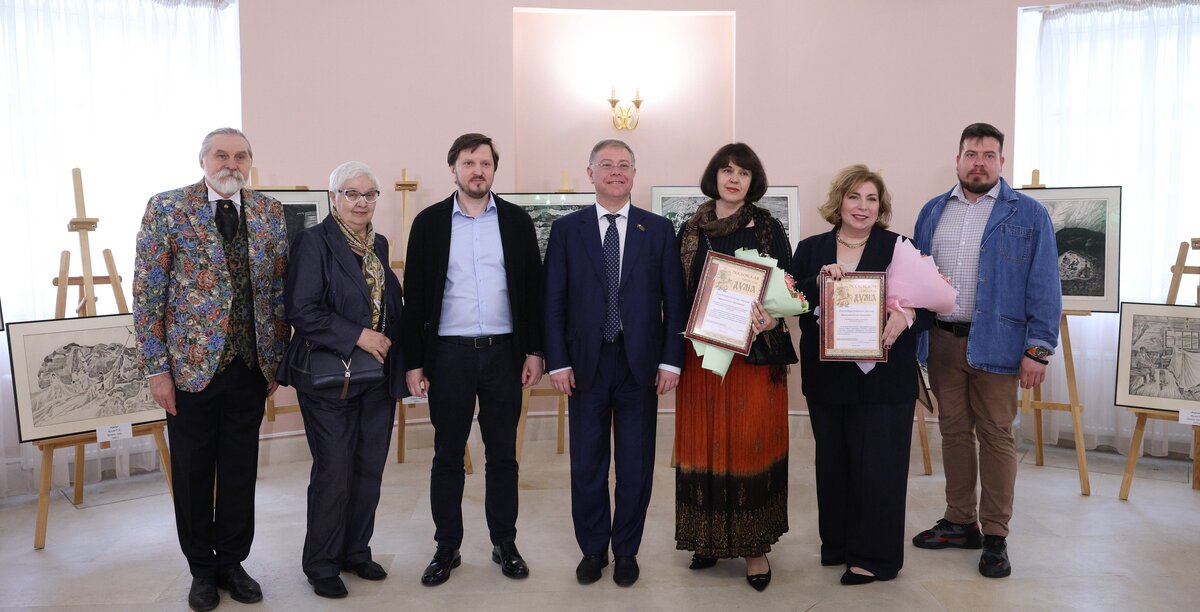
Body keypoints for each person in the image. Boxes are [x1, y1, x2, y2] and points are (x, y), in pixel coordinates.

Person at [133, 127, 290, 611]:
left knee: (241, 470)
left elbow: (278, 291)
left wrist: (275, 358)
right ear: (203, 160)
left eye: (240, 157)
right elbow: (147, 294)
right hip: (189, 369)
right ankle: (201, 568)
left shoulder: (269, 212)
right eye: (221, 155)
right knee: (193, 472)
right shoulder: (168, 208)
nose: (231, 164)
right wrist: (157, 370)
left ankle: (233, 562)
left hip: (250, 365)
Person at [911, 123, 1061, 578]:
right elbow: (917, 278)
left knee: (996, 436)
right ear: (957, 160)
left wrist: (1038, 349)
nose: (979, 163)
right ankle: (960, 521)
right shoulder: (933, 211)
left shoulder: (1029, 214)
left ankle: (995, 534)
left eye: (989, 155)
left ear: (1001, 162)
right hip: (942, 341)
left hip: (1000, 343)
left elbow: (1045, 285)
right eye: (971, 154)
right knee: (954, 433)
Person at [403, 133, 545, 586]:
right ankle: (447, 546)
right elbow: (414, 298)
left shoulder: (517, 222)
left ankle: (505, 542)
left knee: (503, 456)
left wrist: (535, 350)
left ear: (493, 170)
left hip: (504, 354)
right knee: (447, 454)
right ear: (454, 169)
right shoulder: (429, 223)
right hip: (449, 356)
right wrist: (413, 362)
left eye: (485, 163)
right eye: (469, 163)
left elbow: (533, 292)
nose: (477, 171)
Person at [544, 139, 686, 587]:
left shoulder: (657, 230)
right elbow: (553, 302)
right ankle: (593, 549)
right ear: (590, 174)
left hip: (640, 364)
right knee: (587, 463)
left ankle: (626, 550)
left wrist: (671, 361)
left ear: (634, 174)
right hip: (584, 364)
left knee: (635, 463)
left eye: (624, 164)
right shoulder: (567, 230)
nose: (616, 171)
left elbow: (675, 303)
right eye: (606, 164)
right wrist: (557, 361)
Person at [791, 164, 934, 585]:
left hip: (884, 380)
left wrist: (906, 315)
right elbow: (791, 300)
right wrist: (818, 282)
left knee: (879, 467)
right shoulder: (811, 248)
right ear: (839, 201)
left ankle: (874, 558)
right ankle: (837, 545)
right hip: (827, 379)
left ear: (881, 206)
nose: (862, 206)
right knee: (832, 465)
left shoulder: (900, 247)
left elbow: (932, 302)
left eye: (872, 199)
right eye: (854, 196)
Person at [276, 161, 405, 598]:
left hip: (376, 377)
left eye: (369, 194)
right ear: (333, 198)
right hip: (330, 378)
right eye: (351, 193)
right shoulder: (313, 242)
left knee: (369, 469)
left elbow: (386, 306)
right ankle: (322, 563)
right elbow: (301, 309)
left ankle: (355, 551)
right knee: (334, 471)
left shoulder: (377, 244)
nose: (361, 202)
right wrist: (359, 336)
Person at [673, 143, 791, 592]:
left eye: (743, 173)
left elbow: (790, 285)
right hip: (702, 358)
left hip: (753, 361)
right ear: (715, 176)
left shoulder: (768, 228)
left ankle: (754, 547)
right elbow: (676, 292)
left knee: (748, 447)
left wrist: (773, 318)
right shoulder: (690, 230)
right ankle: (707, 540)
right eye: (726, 170)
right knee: (703, 446)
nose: (734, 179)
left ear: (752, 181)